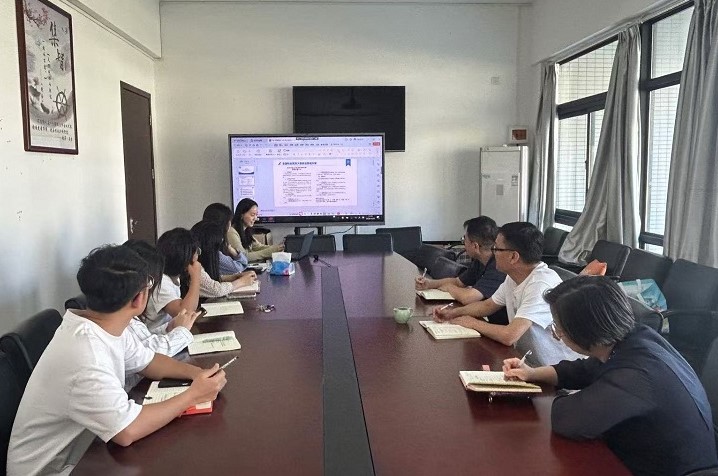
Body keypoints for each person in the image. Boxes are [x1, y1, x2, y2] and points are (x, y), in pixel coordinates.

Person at [7, 245, 227, 476]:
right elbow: (127, 431)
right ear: (140, 298)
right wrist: (193, 395)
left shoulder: (105, 324)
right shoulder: (85, 353)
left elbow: (150, 362)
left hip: (84, 452)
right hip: (52, 470)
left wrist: (196, 374)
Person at [503, 276, 718, 475]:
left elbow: (567, 419)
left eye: (558, 329)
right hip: (645, 452)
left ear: (584, 331)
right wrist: (532, 373)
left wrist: (566, 396)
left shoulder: (636, 375)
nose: (557, 334)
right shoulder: (634, 338)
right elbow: (584, 369)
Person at [434, 221, 580, 366]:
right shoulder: (514, 277)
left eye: (496, 248)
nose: (493, 253)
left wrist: (473, 323)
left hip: (557, 370)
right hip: (527, 363)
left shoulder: (540, 285)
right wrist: (453, 313)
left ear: (513, 257)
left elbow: (509, 335)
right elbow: (487, 305)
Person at [123, 240, 201, 388]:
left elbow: (144, 340)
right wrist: (181, 331)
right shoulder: (122, 320)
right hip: (134, 391)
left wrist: (169, 328)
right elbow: (150, 356)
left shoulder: (127, 317)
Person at [415, 216, 506, 323]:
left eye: (464, 240)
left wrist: (449, 288)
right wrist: (430, 284)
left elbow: (468, 297)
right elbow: (458, 282)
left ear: (475, 246)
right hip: (484, 318)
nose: (464, 244)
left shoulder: (498, 267)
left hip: (498, 324)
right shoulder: (479, 261)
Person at [146, 228, 203, 332]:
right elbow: (184, 313)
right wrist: (196, 277)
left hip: (169, 333)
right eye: (196, 252)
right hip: (158, 337)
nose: (198, 256)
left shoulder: (172, 277)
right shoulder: (161, 281)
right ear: (187, 257)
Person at [191, 220, 257, 297]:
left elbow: (210, 280)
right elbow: (216, 290)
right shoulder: (193, 264)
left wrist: (235, 277)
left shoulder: (200, 258)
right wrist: (241, 282)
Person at [228, 198, 284, 262]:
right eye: (252, 215)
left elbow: (258, 247)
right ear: (241, 215)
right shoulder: (231, 232)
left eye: (256, 215)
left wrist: (278, 248)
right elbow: (243, 257)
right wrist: (270, 251)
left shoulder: (246, 231)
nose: (255, 218)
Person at [202, 202, 250, 275]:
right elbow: (239, 268)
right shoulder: (214, 246)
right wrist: (233, 251)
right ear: (226, 224)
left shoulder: (203, 237)